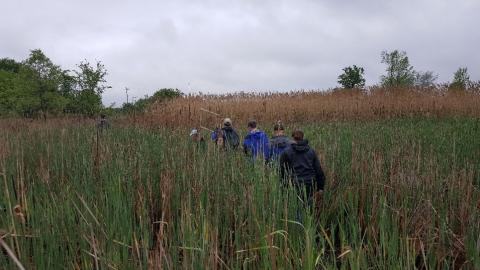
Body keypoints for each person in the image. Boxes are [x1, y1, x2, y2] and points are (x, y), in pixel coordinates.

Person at [279, 130, 325, 217]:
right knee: (309, 208)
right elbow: (319, 171)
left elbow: (282, 172)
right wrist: (320, 187)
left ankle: (298, 227)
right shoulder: (311, 151)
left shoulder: (286, 152)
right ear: (302, 138)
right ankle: (308, 226)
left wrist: (284, 188)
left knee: (296, 209)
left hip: (294, 185)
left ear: (293, 138)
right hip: (310, 184)